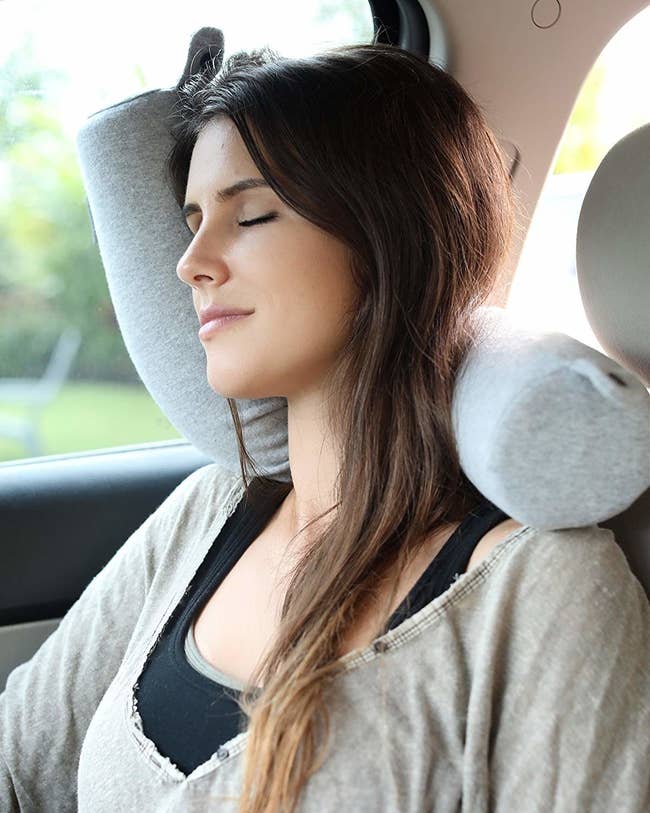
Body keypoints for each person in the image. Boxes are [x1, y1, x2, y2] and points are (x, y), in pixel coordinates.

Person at [2, 40, 648, 813]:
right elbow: (16, 769)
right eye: (194, 219)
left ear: (387, 239)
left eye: (252, 214)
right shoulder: (208, 514)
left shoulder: (542, 586)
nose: (191, 263)